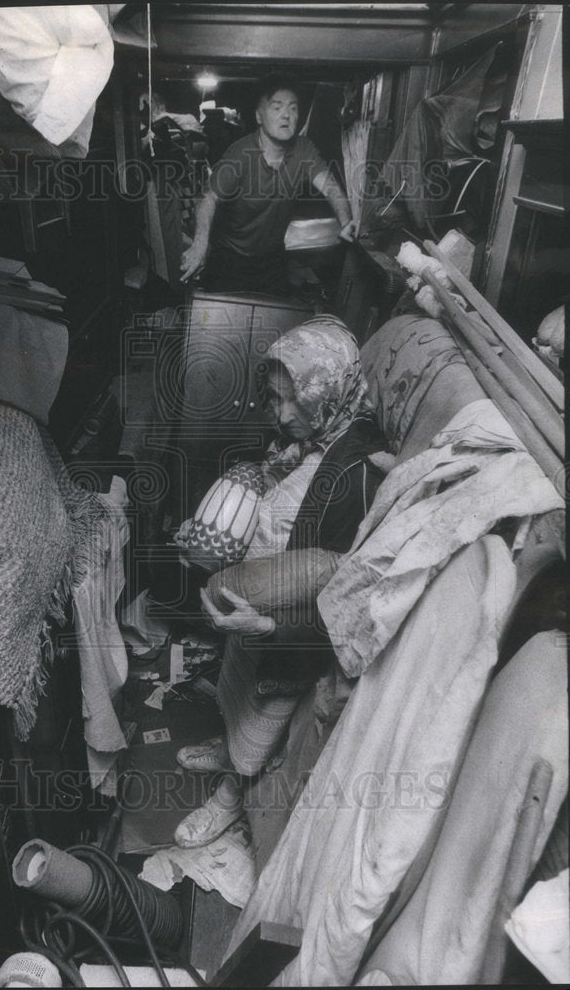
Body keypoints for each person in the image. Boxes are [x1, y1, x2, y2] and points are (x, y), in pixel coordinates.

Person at [172, 317, 386, 849]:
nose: (284, 415)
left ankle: (228, 795)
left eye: (299, 403)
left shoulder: (356, 475)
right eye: (274, 398)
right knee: (236, 697)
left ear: (330, 394)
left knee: (262, 724)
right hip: (257, 607)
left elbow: (342, 604)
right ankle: (229, 750)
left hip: (285, 633)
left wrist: (266, 626)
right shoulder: (312, 435)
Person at [180, 74, 358, 296]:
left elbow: (330, 187)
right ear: (259, 117)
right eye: (277, 107)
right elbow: (209, 198)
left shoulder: (304, 149)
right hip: (230, 259)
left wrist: (346, 221)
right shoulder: (240, 154)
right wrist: (199, 246)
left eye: (293, 109)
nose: (286, 115)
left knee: (274, 321)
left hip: (271, 261)